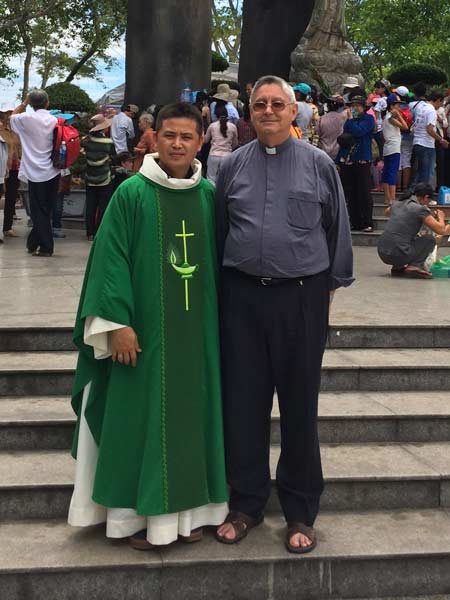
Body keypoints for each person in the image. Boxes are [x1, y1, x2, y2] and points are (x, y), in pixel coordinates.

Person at [68, 102, 228, 550]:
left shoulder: (208, 195)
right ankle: (131, 519)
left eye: (187, 137)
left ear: (201, 142)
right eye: (169, 135)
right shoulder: (132, 193)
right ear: (153, 139)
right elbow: (109, 259)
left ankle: (191, 512)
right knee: (137, 420)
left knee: (194, 421)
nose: (177, 144)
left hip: (198, 337)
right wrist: (115, 322)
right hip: (140, 337)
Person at [215, 75, 353, 553]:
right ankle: (246, 503)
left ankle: (300, 510)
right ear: (248, 113)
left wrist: (324, 299)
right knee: (243, 405)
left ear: (294, 111)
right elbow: (219, 231)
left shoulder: (319, 165)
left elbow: (337, 232)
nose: (269, 111)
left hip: (301, 299)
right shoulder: (231, 167)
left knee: (300, 408)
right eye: (260, 104)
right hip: (243, 299)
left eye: (278, 104)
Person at [10, 90, 61, 257]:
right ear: (47, 103)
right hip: (53, 170)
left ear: (31, 104)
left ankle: (46, 247)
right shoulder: (54, 120)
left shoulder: (25, 119)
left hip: (35, 171)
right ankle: (33, 243)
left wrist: (24, 104)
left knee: (38, 209)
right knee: (46, 208)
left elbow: (12, 116)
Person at [378, 182, 450, 278]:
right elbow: (441, 230)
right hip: (398, 254)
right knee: (429, 239)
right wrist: (441, 217)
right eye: (429, 200)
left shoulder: (397, 203)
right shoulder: (420, 209)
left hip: (382, 252)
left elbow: (387, 212)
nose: (428, 203)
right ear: (425, 197)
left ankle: (397, 267)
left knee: (409, 237)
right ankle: (414, 266)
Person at [336, 95, 375, 232]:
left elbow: (359, 132)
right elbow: (345, 139)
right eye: (353, 105)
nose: (355, 108)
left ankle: (367, 222)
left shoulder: (369, 119)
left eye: (358, 105)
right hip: (348, 160)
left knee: (364, 192)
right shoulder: (348, 121)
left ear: (364, 107)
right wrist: (339, 160)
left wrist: (351, 120)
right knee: (351, 192)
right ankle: (355, 221)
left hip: (362, 159)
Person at [82, 115, 114, 241]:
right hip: (104, 177)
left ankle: (89, 232)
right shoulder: (108, 142)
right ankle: (98, 232)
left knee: (90, 205)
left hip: (90, 177)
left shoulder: (86, 141)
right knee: (103, 206)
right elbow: (114, 156)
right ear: (103, 128)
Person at [410, 85, 449, 189]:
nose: (441, 105)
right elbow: (430, 129)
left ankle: (412, 194)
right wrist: (441, 140)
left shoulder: (421, 107)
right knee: (427, 172)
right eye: (441, 102)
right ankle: (423, 197)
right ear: (438, 100)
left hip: (417, 142)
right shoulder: (431, 110)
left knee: (420, 172)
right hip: (426, 144)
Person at [382, 93, 409, 205]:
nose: (399, 107)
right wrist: (399, 115)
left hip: (388, 148)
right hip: (394, 148)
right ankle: (392, 199)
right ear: (392, 106)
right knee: (392, 172)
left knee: (387, 173)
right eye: (397, 105)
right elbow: (405, 127)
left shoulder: (386, 117)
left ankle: (387, 198)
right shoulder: (391, 118)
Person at [204, 105, 238, 184]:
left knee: (211, 178)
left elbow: (205, 140)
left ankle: (212, 195)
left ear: (216, 115)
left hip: (214, 155)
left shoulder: (212, 126)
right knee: (226, 179)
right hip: (228, 156)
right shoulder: (233, 127)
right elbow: (235, 143)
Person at [0, 111, 21, 239]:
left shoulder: (15, 132)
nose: (9, 117)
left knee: (11, 198)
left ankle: (7, 227)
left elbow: (19, 149)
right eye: (7, 114)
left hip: (14, 169)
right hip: (2, 169)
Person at [318, 94, 347, 160]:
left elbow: (318, 134)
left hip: (324, 151)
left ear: (327, 106)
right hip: (338, 151)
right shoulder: (343, 117)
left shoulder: (321, 119)